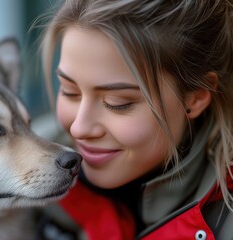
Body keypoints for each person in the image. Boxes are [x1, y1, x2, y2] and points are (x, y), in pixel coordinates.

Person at [34, 0, 233, 239]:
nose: (78, 128)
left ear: (195, 98)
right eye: (69, 91)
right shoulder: (14, 166)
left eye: (118, 102)